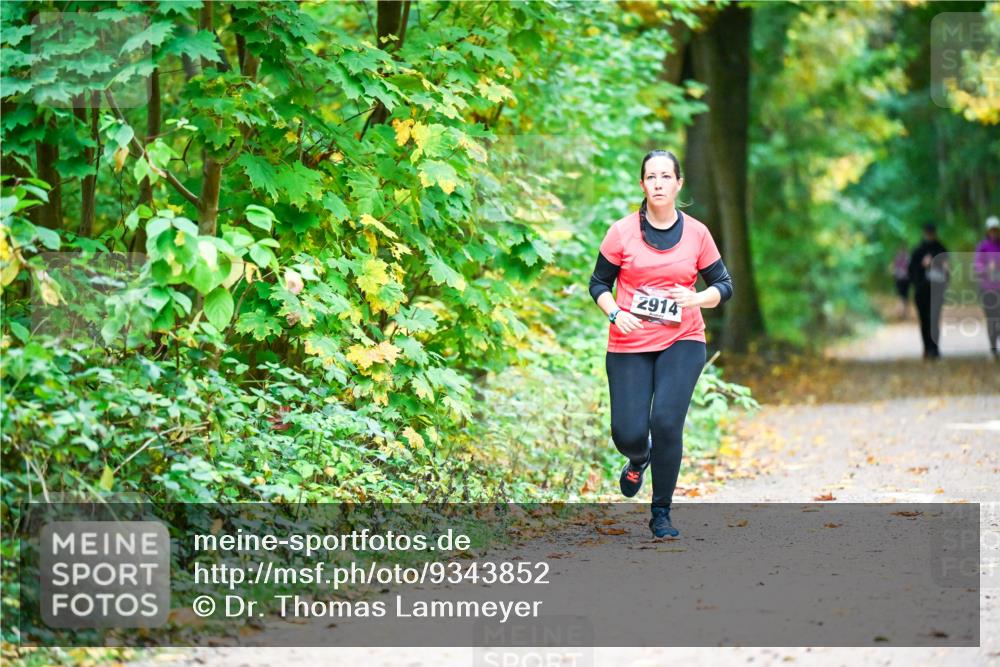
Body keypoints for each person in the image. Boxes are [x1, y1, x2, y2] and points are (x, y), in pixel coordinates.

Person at [588, 150, 733, 539]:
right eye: (651, 177)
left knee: (666, 422)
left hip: (683, 338)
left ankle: (661, 513)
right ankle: (639, 456)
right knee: (627, 432)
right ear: (642, 185)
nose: (658, 183)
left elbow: (724, 285)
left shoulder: (698, 233)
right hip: (630, 339)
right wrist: (616, 313)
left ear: (678, 184)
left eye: (666, 176)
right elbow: (598, 284)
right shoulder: (621, 233)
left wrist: (697, 299)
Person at [908, 223, 949, 360]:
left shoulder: (941, 249)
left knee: (935, 319)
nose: (930, 235)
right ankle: (926, 348)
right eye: (928, 232)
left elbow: (947, 271)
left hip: (937, 290)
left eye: (932, 232)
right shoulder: (918, 251)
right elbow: (911, 272)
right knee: (924, 320)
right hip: (922, 291)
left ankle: (935, 349)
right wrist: (922, 266)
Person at [974, 215, 1000, 359]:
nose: (994, 232)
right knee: (992, 318)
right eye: (992, 230)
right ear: (988, 231)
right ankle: (993, 347)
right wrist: (987, 269)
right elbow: (977, 266)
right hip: (987, 288)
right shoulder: (982, 247)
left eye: (996, 230)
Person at [891, 246, 910, 319]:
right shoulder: (908, 258)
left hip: (900, 279)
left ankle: (903, 311)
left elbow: (893, 269)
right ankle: (904, 312)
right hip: (905, 279)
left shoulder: (897, 258)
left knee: (901, 295)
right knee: (904, 296)